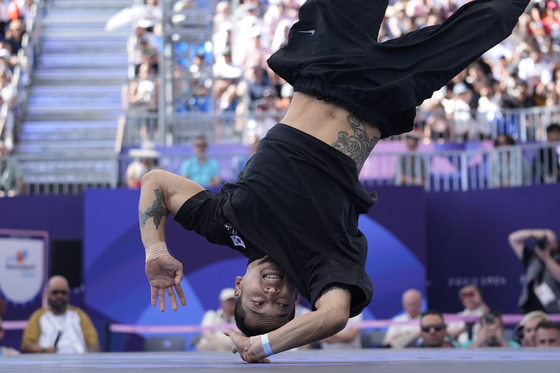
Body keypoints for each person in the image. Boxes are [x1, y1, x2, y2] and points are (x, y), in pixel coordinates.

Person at [140, 0, 531, 363]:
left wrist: (155, 250)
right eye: (282, 307)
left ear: (239, 286)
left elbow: (157, 182)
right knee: (493, 18)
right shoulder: (321, 267)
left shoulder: (224, 225)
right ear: (298, 297)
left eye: (259, 304)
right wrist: (263, 347)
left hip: (323, 64)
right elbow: (333, 316)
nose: (273, 297)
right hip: (383, 90)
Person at [21, 276, 100, 354]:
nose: (59, 296)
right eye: (55, 292)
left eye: (63, 293)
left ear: (68, 294)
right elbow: (27, 345)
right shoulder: (39, 316)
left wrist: (91, 361)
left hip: (78, 363)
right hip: (47, 363)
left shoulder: (79, 315)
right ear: (48, 294)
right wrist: (44, 350)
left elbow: (93, 342)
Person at [508, 229, 560, 314]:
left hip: (553, 311)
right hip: (530, 310)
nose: (544, 245)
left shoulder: (557, 260)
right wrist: (533, 234)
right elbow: (513, 239)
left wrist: (547, 259)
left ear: (556, 245)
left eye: (547, 242)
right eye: (541, 242)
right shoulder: (532, 259)